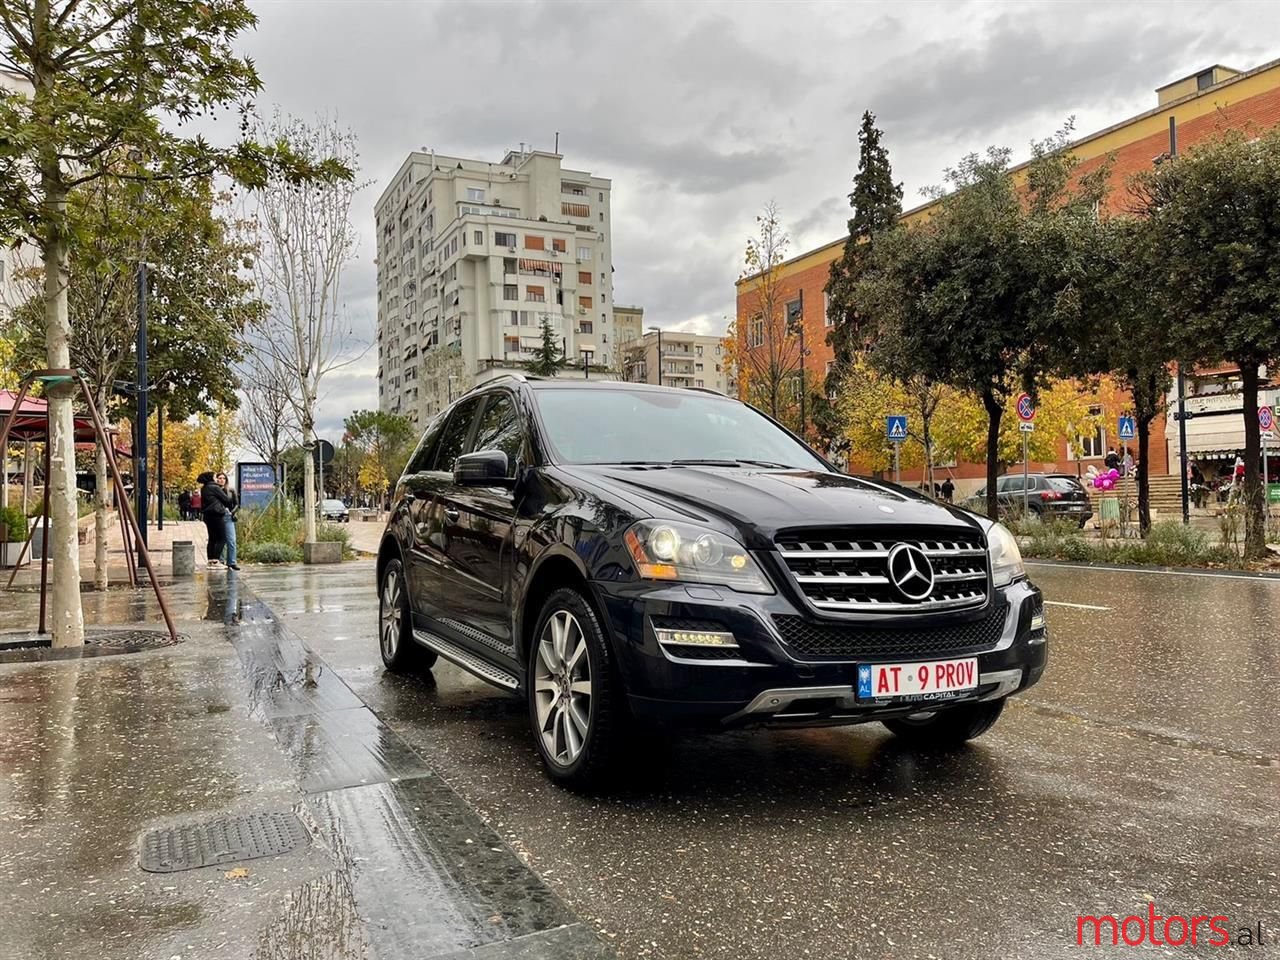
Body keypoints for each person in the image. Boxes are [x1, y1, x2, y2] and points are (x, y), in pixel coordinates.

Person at [198, 470, 234, 569]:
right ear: (211, 478)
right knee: (222, 538)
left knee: (212, 538)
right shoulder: (214, 487)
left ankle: (210, 561)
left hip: (207, 515)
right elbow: (226, 500)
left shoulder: (204, 488)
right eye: (215, 477)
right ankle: (215, 561)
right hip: (217, 514)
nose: (216, 478)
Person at [216, 471, 240, 571]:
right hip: (218, 517)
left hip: (228, 516)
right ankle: (221, 561)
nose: (221, 480)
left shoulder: (231, 491)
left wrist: (232, 512)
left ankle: (232, 562)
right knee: (220, 540)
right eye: (219, 478)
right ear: (216, 480)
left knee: (232, 540)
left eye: (223, 478)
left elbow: (237, 504)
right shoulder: (214, 490)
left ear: (226, 480)